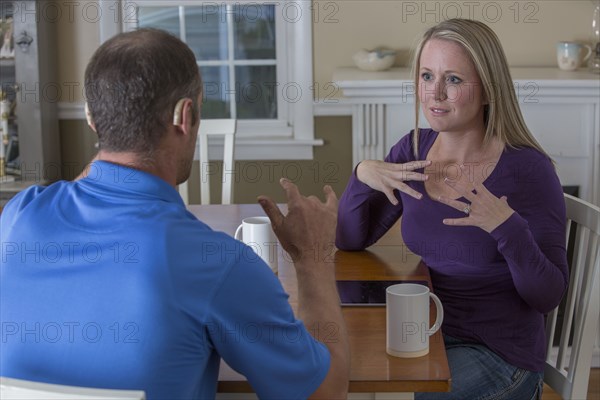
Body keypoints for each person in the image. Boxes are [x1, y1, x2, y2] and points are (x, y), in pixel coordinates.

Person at [0, 28, 349, 399]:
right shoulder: (219, 264)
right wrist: (312, 260)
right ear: (186, 115)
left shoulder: (17, 217)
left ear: (90, 117)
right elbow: (324, 395)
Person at [336, 18, 568, 400]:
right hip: (428, 331)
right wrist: (363, 174)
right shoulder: (413, 150)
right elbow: (350, 239)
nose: (435, 93)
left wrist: (507, 228)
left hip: (498, 354)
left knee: (432, 393)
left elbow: (548, 296)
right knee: (343, 367)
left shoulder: (528, 170)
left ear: (489, 91)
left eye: (454, 80)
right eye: (427, 76)